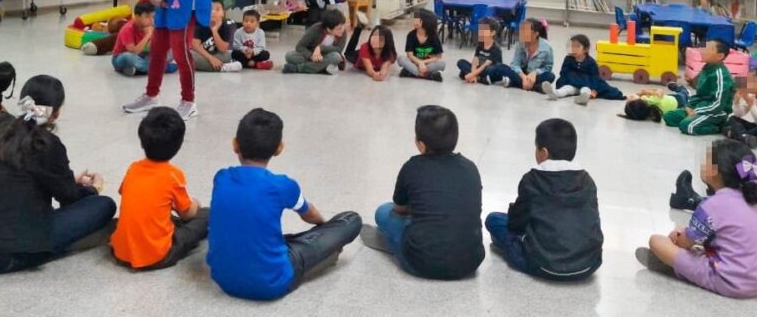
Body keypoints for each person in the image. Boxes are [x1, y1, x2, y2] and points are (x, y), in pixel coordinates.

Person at [0, 75, 116, 274]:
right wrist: (92, 189)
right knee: (103, 205)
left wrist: (66, 181)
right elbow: (69, 198)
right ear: (56, 113)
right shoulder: (47, 143)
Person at [207, 108, 361, 300]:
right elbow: (310, 215)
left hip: (223, 279)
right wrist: (324, 226)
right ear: (279, 148)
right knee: (351, 219)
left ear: (235, 144)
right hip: (272, 283)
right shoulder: (283, 185)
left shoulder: (221, 177)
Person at [638, 139, 757, 299]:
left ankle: (674, 266)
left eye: (706, 160)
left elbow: (684, 243)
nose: (702, 164)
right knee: (701, 246)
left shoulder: (713, 205)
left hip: (732, 282)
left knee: (657, 241)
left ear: (714, 171)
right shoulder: (751, 201)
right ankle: (682, 265)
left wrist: (677, 235)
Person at [369, 105, 484, 280]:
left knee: (383, 211)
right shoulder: (470, 168)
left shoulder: (412, 167)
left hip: (421, 264)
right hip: (470, 263)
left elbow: (399, 208)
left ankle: (401, 243)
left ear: (421, 145)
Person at [486, 118, 602, 281]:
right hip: (589, 265)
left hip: (543, 265)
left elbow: (516, 223)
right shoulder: (587, 181)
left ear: (544, 153)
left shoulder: (532, 180)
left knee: (494, 220)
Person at [111, 107, 209, 271]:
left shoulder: (133, 168)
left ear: (142, 141)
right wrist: (195, 204)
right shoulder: (173, 174)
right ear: (179, 145)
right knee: (206, 215)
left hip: (120, 252)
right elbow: (187, 213)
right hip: (157, 256)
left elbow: (128, 194)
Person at [661, 40, 734, 135]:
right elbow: (699, 94)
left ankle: (720, 126)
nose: (704, 50)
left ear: (720, 56)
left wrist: (696, 111)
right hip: (700, 107)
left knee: (687, 126)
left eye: (709, 49)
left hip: (716, 112)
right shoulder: (706, 68)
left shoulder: (721, 75)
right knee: (669, 117)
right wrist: (689, 106)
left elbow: (718, 104)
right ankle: (698, 120)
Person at [543, 34, 624, 105]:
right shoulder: (568, 59)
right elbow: (563, 73)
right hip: (572, 83)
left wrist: (594, 90)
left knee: (586, 90)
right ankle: (555, 93)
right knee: (566, 89)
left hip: (587, 84)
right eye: (572, 46)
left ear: (585, 49)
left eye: (577, 46)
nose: (574, 49)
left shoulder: (591, 62)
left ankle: (583, 98)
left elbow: (595, 77)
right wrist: (563, 82)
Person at [110, 1, 178, 78]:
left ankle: (136, 70)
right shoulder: (127, 29)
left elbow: (150, 48)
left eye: (153, 17)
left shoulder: (151, 25)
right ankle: (164, 67)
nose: (151, 20)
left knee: (172, 50)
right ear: (137, 16)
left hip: (141, 56)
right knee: (128, 57)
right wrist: (148, 35)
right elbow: (133, 52)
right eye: (147, 17)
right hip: (121, 57)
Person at [488, 19, 554, 92]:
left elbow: (548, 67)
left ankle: (513, 82)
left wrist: (535, 73)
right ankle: (536, 87)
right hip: (521, 73)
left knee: (550, 76)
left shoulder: (546, 47)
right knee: (500, 67)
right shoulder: (520, 43)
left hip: (535, 75)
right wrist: (523, 77)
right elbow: (515, 64)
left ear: (535, 34)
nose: (521, 33)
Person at [283, 9, 346, 74]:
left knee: (336, 57)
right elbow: (300, 46)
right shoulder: (316, 28)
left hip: (327, 56)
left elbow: (339, 49)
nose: (342, 30)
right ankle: (321, 68)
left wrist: (320, 47)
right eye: (338, 29)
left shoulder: (343, 32)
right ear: (328, 29)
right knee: (290, 56)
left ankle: (298, 68)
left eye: (343, 26)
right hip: (312, 55)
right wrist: (311, 56)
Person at [193, 0, 241, 73]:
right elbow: (196, 46)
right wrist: (211, 58)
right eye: (210, 9)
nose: (213, 12)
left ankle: (216, 66)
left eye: (217, 9)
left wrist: (214, 31)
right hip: (203, 54)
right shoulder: (200, 23)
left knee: (228, 55)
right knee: (190, 56)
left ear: (223, 13)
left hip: (220, 54)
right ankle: (224, 67)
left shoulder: (229, 24)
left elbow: (223, 49)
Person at [398, 9, 445, 81]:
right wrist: (419, 63)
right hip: (414, 63)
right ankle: (426, 75)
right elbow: (409, 55)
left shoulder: (434, 36)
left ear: (424, 22)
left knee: (442, 64)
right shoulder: (411, 35)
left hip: (428, 64)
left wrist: (423, 63)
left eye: (416, 19)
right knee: (401, 59)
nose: (414, 21)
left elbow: (438, 57)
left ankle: (413, 72)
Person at [456, 18, 503, 84]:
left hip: (489, 70)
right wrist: (473, 74)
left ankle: (476, 77)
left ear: (492, 33)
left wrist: (471, 74)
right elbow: (474, 62)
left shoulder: (496, 49)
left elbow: (486, 66)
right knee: (461, 62)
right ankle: (479, 78)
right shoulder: (480, 45)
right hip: (479, 69)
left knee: (490, 70)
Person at [621, 87, 687, 121]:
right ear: (639, 101)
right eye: (631, 97)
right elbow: (660, 91)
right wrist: (647, 91)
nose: (629, 96)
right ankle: (680, 89)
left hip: (676, 107)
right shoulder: (648, 99)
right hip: (676, 99)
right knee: (684, 93)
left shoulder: (646, 112)